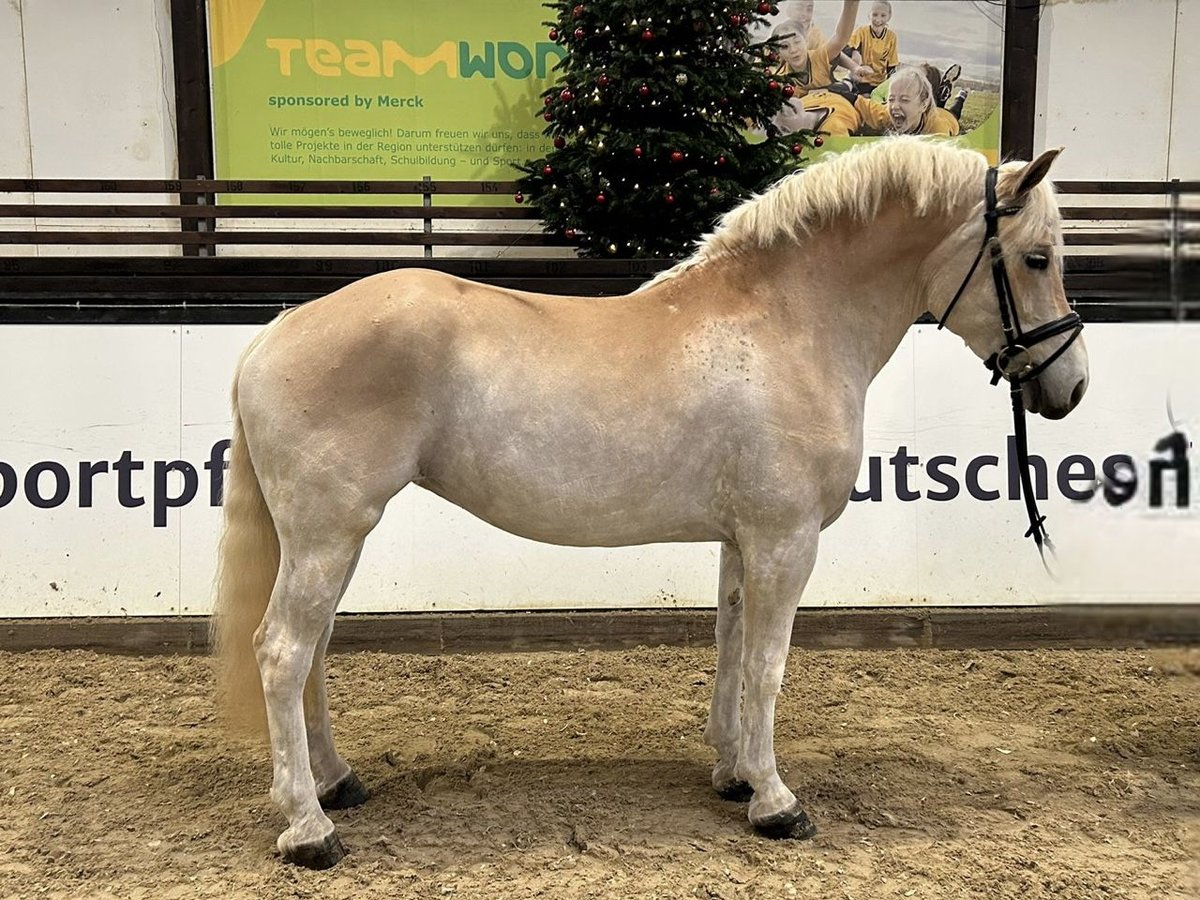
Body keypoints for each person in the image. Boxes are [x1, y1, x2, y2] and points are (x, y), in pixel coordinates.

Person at [773, 66, 959, 138]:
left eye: (904, 100)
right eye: (891, 99)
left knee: (953, 113)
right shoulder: (889, 115)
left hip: (947, 118)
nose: (894, 105)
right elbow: (867, 106)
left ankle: (958, 99)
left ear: (923, 104)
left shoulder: (937, 130)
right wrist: (844, 94)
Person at [772, 0, 860, 98]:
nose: (804, 14)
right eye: (799, 8)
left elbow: (837, 45)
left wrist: (854, 67)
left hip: (828, 90)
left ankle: (848, 81)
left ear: (805, 40)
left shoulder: (815, 38)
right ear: (788, 10)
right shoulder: (777, 37)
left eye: (809, 9)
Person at [845, 1, 899, 95]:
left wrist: (891, 85)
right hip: (862, 79)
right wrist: (855, 52)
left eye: (883, 15)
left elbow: (891, 66)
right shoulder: (862, 31)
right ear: (869, 15)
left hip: (880, 82)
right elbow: (846, 47)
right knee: (865, 99)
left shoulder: (891, 37)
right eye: (875, 15)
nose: (878, 20)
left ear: (889, 16)